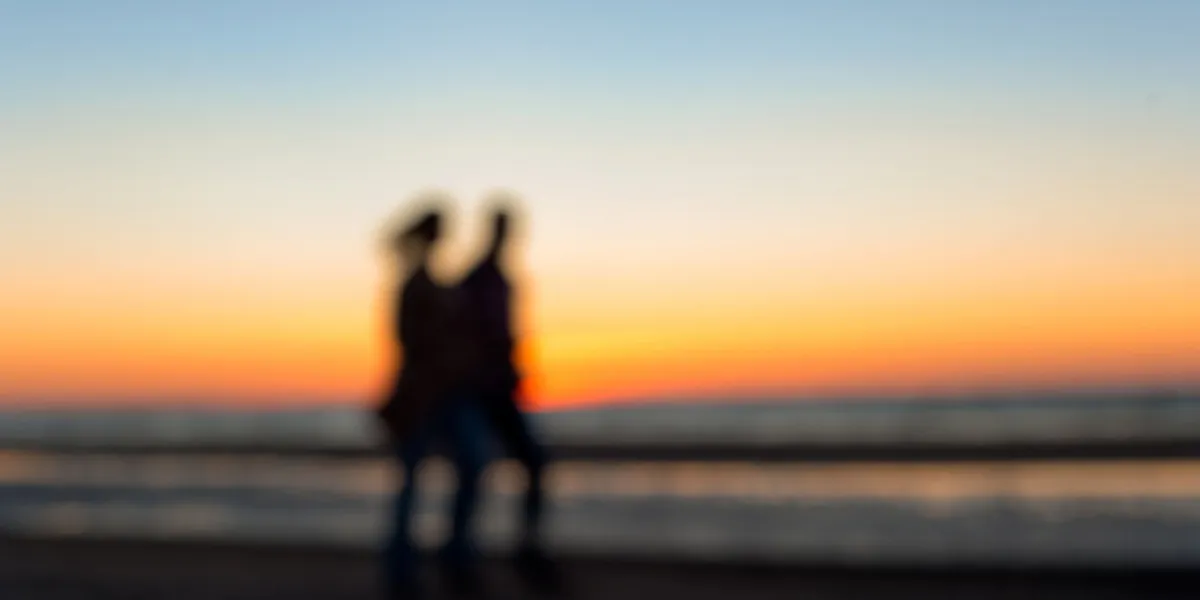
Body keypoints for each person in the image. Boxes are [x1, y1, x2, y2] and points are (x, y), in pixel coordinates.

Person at [376, 201, 490, 598]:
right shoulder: (416, 284)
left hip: (445, 395)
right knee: (415, 481)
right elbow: (410, 342)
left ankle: (447, 558)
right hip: (423, 397)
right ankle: (407, 571)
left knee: (463, 467)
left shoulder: (433, 282)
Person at [457, 197, 562, 592]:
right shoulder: (476, 279)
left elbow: (506, 334)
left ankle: (523, 548)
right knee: (476, 471)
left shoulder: (500, 278)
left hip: (500, 389)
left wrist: (513, 368)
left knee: (526, 465)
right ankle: (465, 558)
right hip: (481, 391)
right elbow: (473, 335)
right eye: (502, 229)